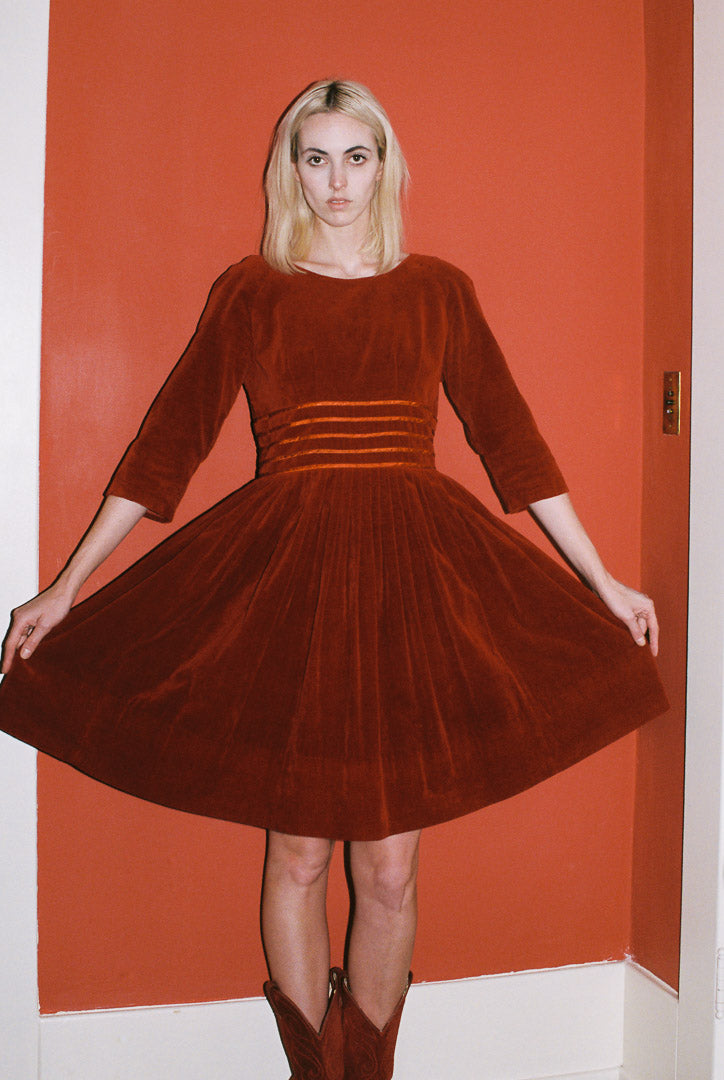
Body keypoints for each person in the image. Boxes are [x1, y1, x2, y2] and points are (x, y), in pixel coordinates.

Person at [0, 79, 668, 1079]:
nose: (335, 179)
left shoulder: (436, 288)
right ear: (289, 168)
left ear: (387, 165)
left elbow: (513, 448)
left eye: (356, 156)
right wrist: (64, 587)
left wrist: (602, 579)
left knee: (390, 867)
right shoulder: (250, 290)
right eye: (314, 157)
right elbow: (162, 453)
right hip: (290, 587)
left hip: (413, 583)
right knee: (300, 855)